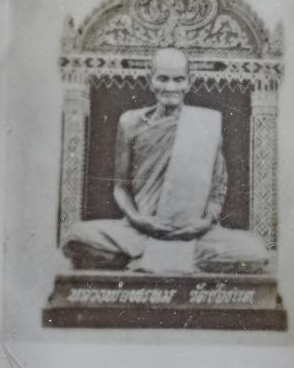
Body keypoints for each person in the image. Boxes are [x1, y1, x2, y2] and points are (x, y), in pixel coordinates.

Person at [63, 48, 269, 274]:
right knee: (76, 237)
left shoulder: (205, 124)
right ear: (150, 80)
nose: (171, 87)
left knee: (255, 251)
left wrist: (204, 223)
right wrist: (139, 221)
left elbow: (218, 190)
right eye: (163, 78)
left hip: (193, 234)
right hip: (140, 231)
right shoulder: (130, 123)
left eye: (178, 79)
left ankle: (146, 259)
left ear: (189, 82)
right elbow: (120, 188)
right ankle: (172, 259)